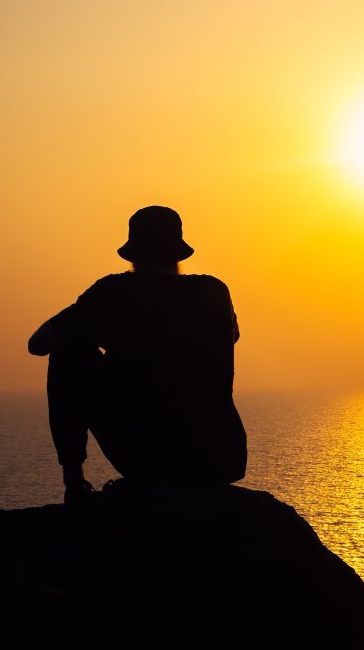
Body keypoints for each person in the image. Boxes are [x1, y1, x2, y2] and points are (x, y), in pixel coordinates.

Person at [28, 206, 246, 502]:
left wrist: (102, 332)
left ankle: (74, 483)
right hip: (220, 459)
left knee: (68, 352)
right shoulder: (214, 292)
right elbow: (230, 338)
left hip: (150, 460)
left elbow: (38, 343)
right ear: (179, 253)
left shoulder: (113, 292)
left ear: (132, 254)